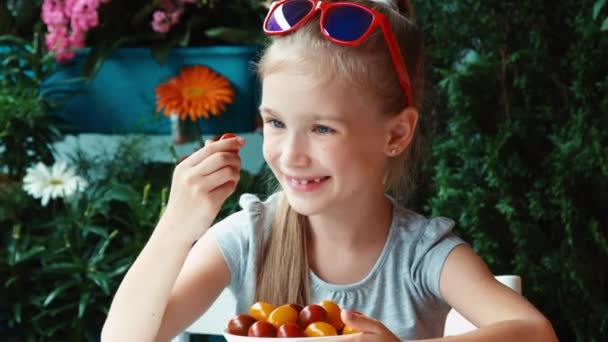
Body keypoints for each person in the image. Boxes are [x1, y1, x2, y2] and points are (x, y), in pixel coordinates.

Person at [101, 0, 558, 341]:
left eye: (322, 128)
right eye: (276, 123)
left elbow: (535, 333)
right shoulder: (249, 237)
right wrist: (176, 228)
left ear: (396, 134)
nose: (291, 155)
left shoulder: (421, 255)